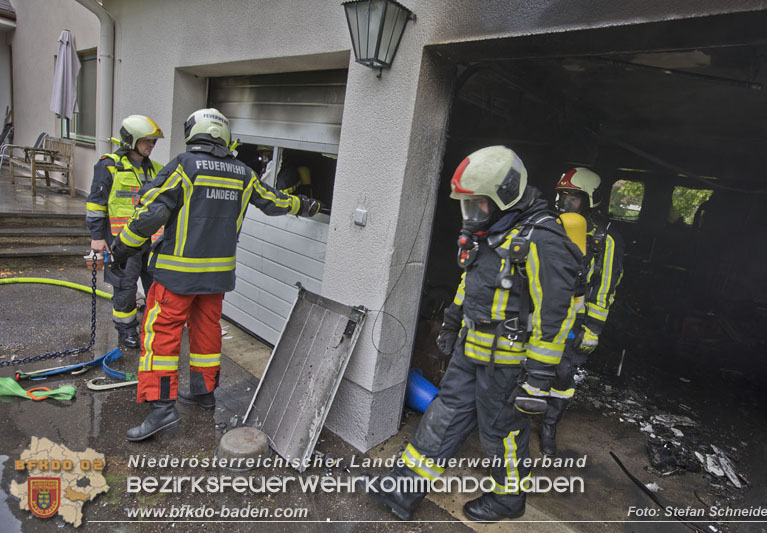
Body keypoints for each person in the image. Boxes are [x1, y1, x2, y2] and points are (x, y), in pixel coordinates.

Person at [363, 146, 583, 522]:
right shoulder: (494, 230)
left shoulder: (543, 239)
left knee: (501, 431)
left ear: (506, 194)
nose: (472, 213)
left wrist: (539, 379)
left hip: (509, 363)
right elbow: (471, 283)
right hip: (472, 350)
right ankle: (405, 485)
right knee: (443, 413)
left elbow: (557, 315)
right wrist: (451, 321)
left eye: (478, 203)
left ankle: (509, 499)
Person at [109, 108, 320, 442]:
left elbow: (150, 214)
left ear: (197, 133)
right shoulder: (242, 172)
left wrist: (121, 249)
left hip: (176, 276)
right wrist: (304, 205)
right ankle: (203, 392)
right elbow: (272, 201)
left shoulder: (184, 166)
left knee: (161, 339)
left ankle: (161, 410)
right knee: (206, 332)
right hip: (217, 277)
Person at [543, 167, 625, 455]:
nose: (565, 204)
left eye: (574, 198)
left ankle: (548, 427)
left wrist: (592, 330)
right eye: (563, 196)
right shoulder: (548, 227)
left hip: (575, 320)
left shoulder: (605, 240)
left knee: (563, 375)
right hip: (542, 315)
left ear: (591, 201)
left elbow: (604, 290)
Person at [85, 115, 164, 349]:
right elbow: (96, 204)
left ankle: (154, 327)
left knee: (156, 286)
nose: (151, 145)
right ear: (131, 140)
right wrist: (97, 237)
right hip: (123, 243)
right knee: (126, 287)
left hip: (153, 242)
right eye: (147, 140)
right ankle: (127, 329)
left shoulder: (157, 170)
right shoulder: (108, 166)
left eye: (153, 141)